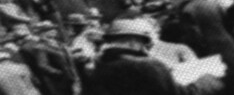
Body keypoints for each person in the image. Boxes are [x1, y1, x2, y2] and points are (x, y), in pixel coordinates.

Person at [87, 19, 224, 95]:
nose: (146, 49)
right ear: (134, 41)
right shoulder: (148, 65)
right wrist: (207, 80)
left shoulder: (99, 67)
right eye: (144, 44)